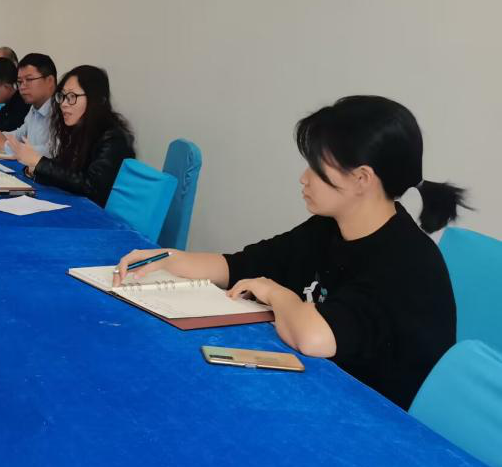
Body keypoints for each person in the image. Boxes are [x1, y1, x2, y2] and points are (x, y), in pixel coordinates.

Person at [115, 95, 465, 410]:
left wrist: (275, 292)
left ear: (362, 179)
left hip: (375, 422)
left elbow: (314, 337)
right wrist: (169, 259)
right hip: (319, 393)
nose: (304, 178)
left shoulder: (406, 263)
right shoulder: (329, 227)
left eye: (318, 169)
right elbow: (240, 265)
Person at [6, 65, 135, 207]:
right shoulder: (77, 130)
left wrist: (39, 162)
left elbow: (92, 188)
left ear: (96, 99)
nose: (63, 104)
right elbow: (65, 170)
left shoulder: (113, 138)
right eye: (62, 96)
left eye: (72, 97)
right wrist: (34, 169)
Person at [0, 52, 57, 156]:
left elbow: (52, 151)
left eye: (29, 79)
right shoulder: (34, 108)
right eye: (19, 82)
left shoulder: (61, 109)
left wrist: (4, 145)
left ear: (50, 81)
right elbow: (20, 134)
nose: (22, 87)